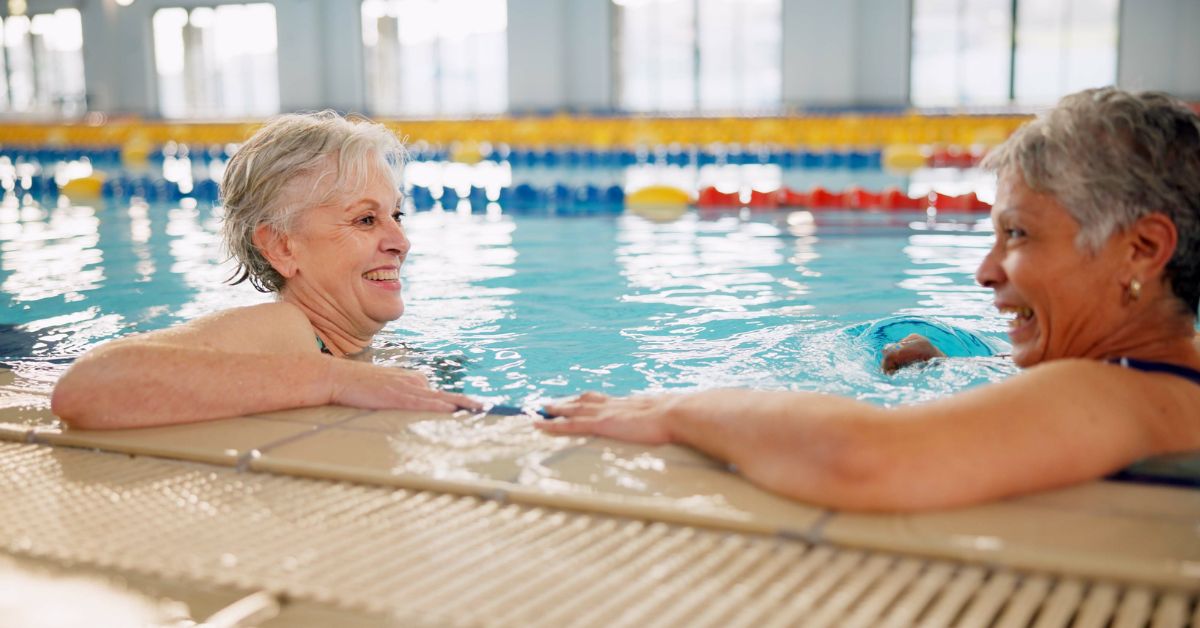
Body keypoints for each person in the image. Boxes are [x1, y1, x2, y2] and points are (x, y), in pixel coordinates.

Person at [539, 87, 1200, 512]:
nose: (985, 271)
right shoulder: (1162, 381)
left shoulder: (1112, 390)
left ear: (1142, 249)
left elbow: (861, 460)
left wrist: (679, 408)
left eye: (1017, 234)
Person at [51, 112, 479, 429]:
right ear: (282, 247)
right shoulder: (288, 329)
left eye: (396, 216)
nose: (400, 243)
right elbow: (89, 386)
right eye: (365, 220)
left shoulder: (363, 349)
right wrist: (332, 379)